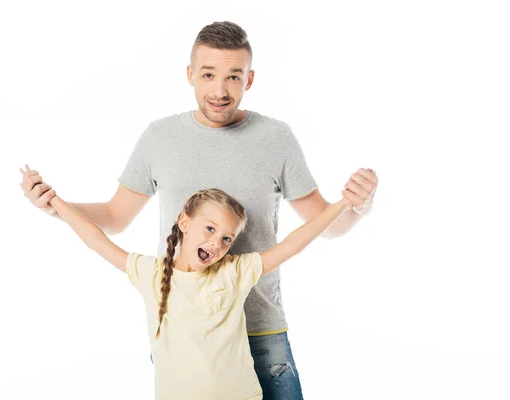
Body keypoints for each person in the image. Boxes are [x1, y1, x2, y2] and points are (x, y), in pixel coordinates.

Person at [19, 21, 379, 399]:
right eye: (208, 74)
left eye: (233, 77)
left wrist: (359, 207)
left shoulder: (277, 138)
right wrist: (54, 206)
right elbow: (114, 217)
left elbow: (325, 227)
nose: (220, 91)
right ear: (190, 74)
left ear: (249, 79)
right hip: (184, 331)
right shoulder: (159, 138)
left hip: (260, 325)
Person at [22, 172, 355, 399]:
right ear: (184, 222)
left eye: (226, 238)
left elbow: (293, 243)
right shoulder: (150, 274)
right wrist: (55, 201)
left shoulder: (235, 272)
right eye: (210, 229)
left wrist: (342, 204)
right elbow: (96, 238)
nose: (217, 243)